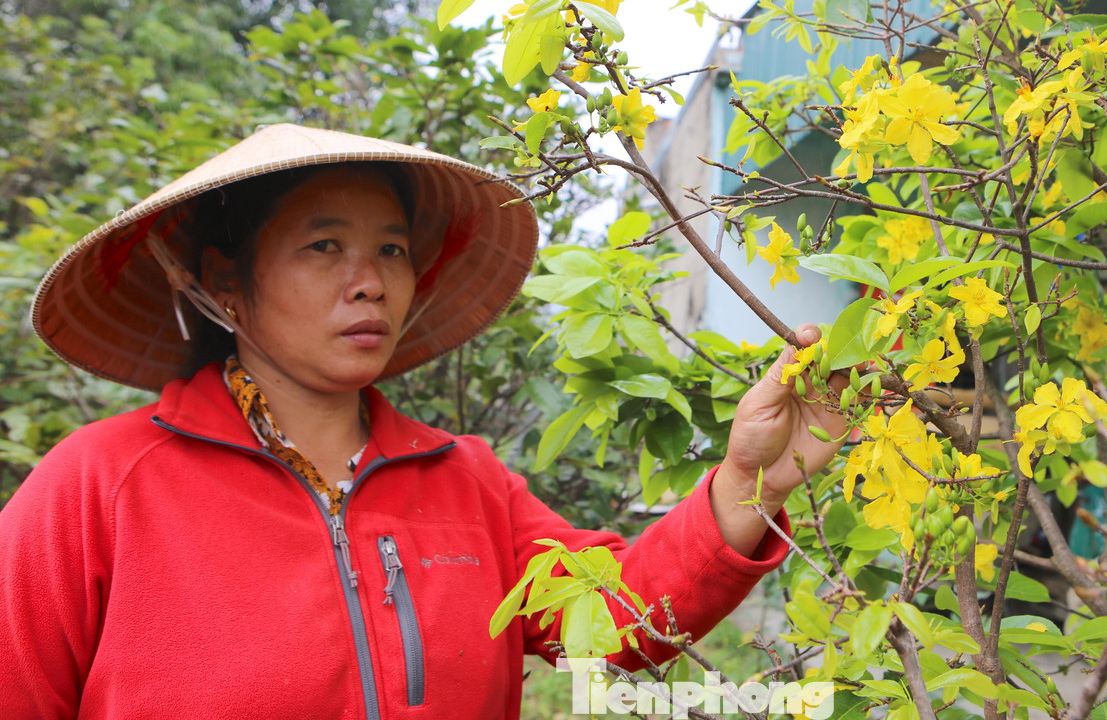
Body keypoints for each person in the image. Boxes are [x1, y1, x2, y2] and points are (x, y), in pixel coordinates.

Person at [0, 123, 847, 720]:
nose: (370, 280)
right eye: (323, 246)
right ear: (225, 279)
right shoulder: (98, 487)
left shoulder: (467, 481)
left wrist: (750, 480)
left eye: (392, 249)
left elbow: (612, 618)